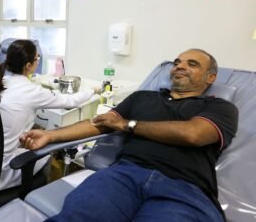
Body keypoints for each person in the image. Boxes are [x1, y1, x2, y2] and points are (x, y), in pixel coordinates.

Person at [20, 49, 238, 222]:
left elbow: (194, 134)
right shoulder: (142, 97)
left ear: (211, 77)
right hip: (123, 175)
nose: (180, 66)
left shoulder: (220, 107)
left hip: (184, 188)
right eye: (177, 62)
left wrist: (127, 124)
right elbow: (100, 123)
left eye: (192, 64)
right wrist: (51, 136)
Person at [0, 40, 96, 200]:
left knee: (32, 136)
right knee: (48, 149)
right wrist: (92, 90)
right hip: (3, 168)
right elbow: (70, 101)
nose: (38, 61)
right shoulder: (31, 91)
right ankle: (34, 197)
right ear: (29, 65)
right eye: (37, 58)